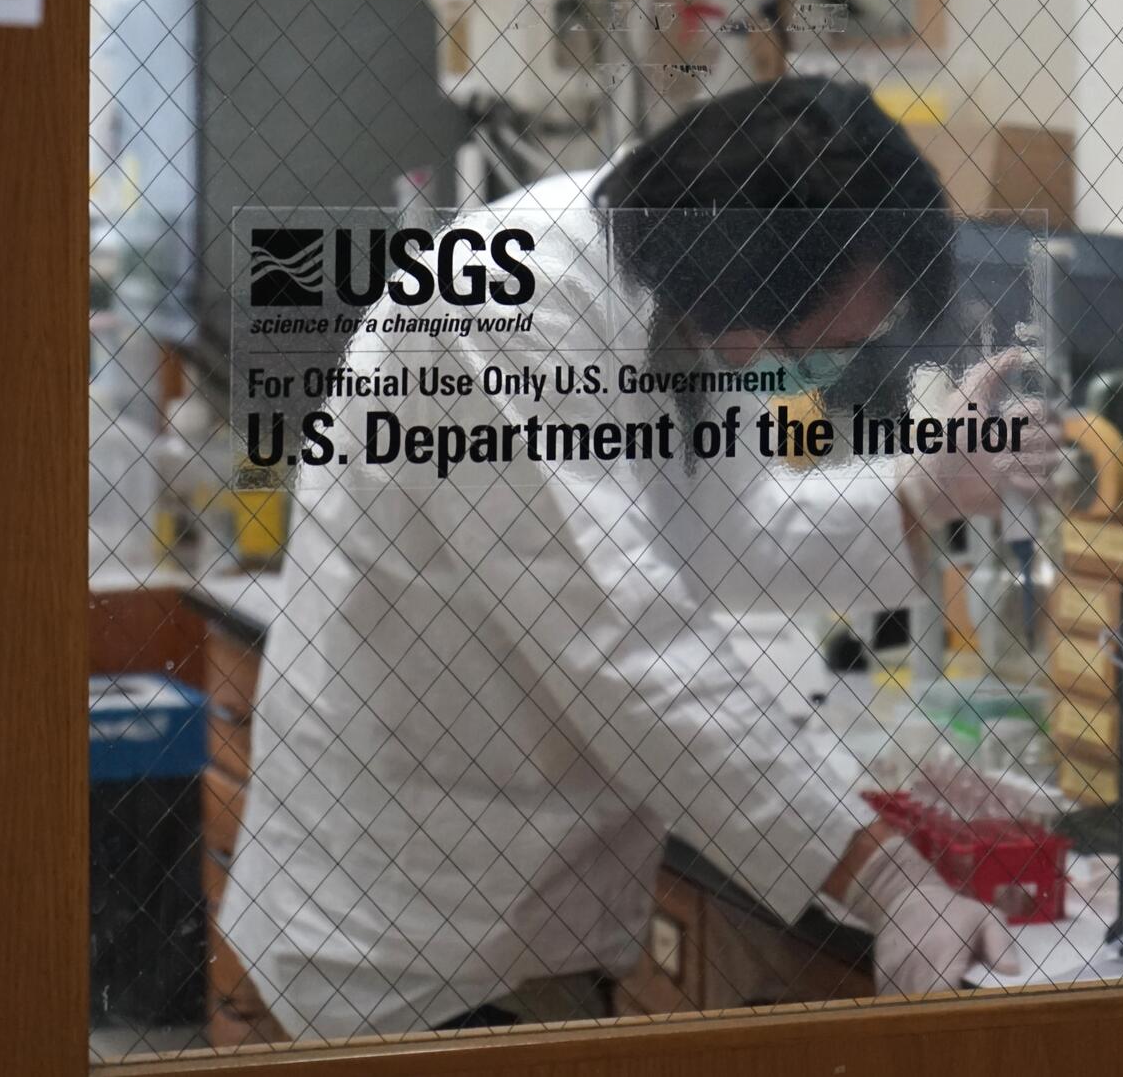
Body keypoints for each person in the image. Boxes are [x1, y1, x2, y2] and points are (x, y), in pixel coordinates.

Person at [218, 78, 1052, 1040]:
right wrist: (888, 877)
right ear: (741, 284)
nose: (800, 376)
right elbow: (621, 642)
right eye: (804, 350)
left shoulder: (685, 282)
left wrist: (922, 491)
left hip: (519, 882)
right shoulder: (500, 304)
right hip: (414, 924)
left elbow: (722, 536)